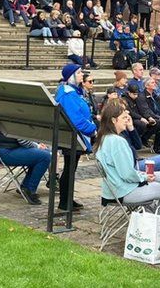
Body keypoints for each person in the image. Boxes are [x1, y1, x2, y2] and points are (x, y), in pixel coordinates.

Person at [94, 100, 160, 224]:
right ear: (114, 120)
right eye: (124, 117)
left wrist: (145, 176)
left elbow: (126, 169)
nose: (127, 119)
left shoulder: (105, 138)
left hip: (114, 189)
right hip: (123, 191)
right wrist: (145, 177)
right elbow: (127, 174)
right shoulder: (117, 141)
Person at [54, 64, 97, 212]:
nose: (81, 75)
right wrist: (92, 129)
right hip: (72, 136)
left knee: (70, 169)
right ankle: (64, 202)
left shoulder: (72, 91)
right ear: (71, 76)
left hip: (73, 135)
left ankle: (67, 199)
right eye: (78, 73)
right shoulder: (68, 93)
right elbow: (76, 119)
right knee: (69, 169)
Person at [0, 124, 51, 205]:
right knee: (45, 156)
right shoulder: (12, 119)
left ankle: (26, 187)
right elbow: (23, 141)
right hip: (4, 152)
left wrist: (38, 145)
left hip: (4, 149)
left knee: (43, 154)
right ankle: (30, 190)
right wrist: (37, 146)